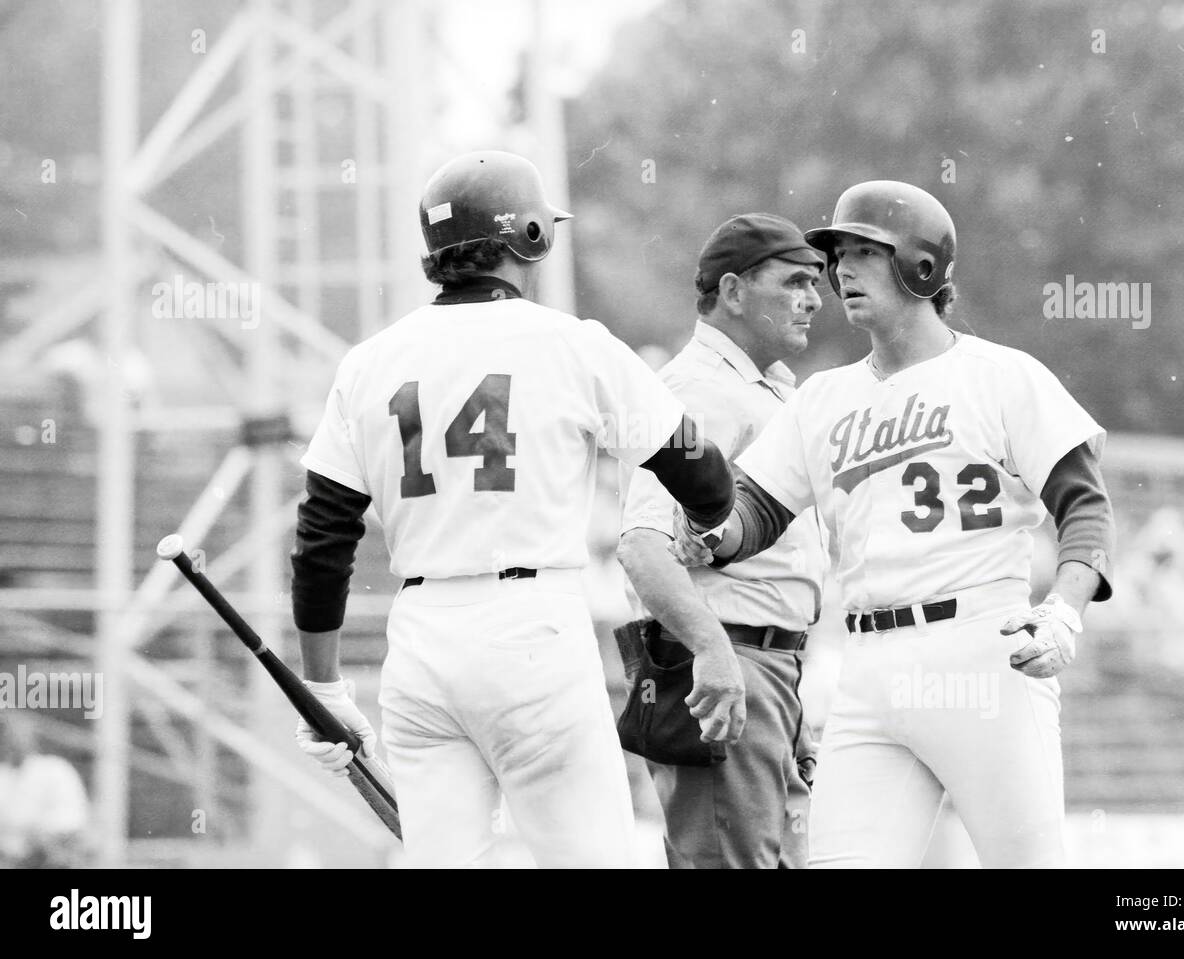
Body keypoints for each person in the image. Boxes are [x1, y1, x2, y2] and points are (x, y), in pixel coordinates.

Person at [290, 150, 740, 867]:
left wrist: (323, 685)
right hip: (534, 631)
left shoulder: (367, 362)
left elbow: (322, 537)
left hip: (422, 641)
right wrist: (713, 518)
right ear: (529, 233)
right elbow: (701, 472)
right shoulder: (573, 343)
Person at [675, 181, 1116, 868]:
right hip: (869, 669)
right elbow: (754, 509)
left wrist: (1064, 607)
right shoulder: (823, 397)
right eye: (838, 255)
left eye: (863, 252)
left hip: (982, 650)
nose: (841, 270)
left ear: (921, 264)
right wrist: (715, 533)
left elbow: (1083, 501)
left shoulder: (1000, 375)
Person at [617, 214, 828, 868]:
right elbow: (642, 544)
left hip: (767, 661)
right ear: (733, 292)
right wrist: (714, 652)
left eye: (816, 282)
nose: (814, 298)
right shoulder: (698, 390)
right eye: (794, 280)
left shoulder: (760, 388)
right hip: (729, 655)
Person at [0, 712, 90, 868]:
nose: (11, 741)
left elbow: (73, 818)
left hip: (45, 853)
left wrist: (38, 833)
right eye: (6, 735)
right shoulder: (3, 776)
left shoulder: (54, 769)